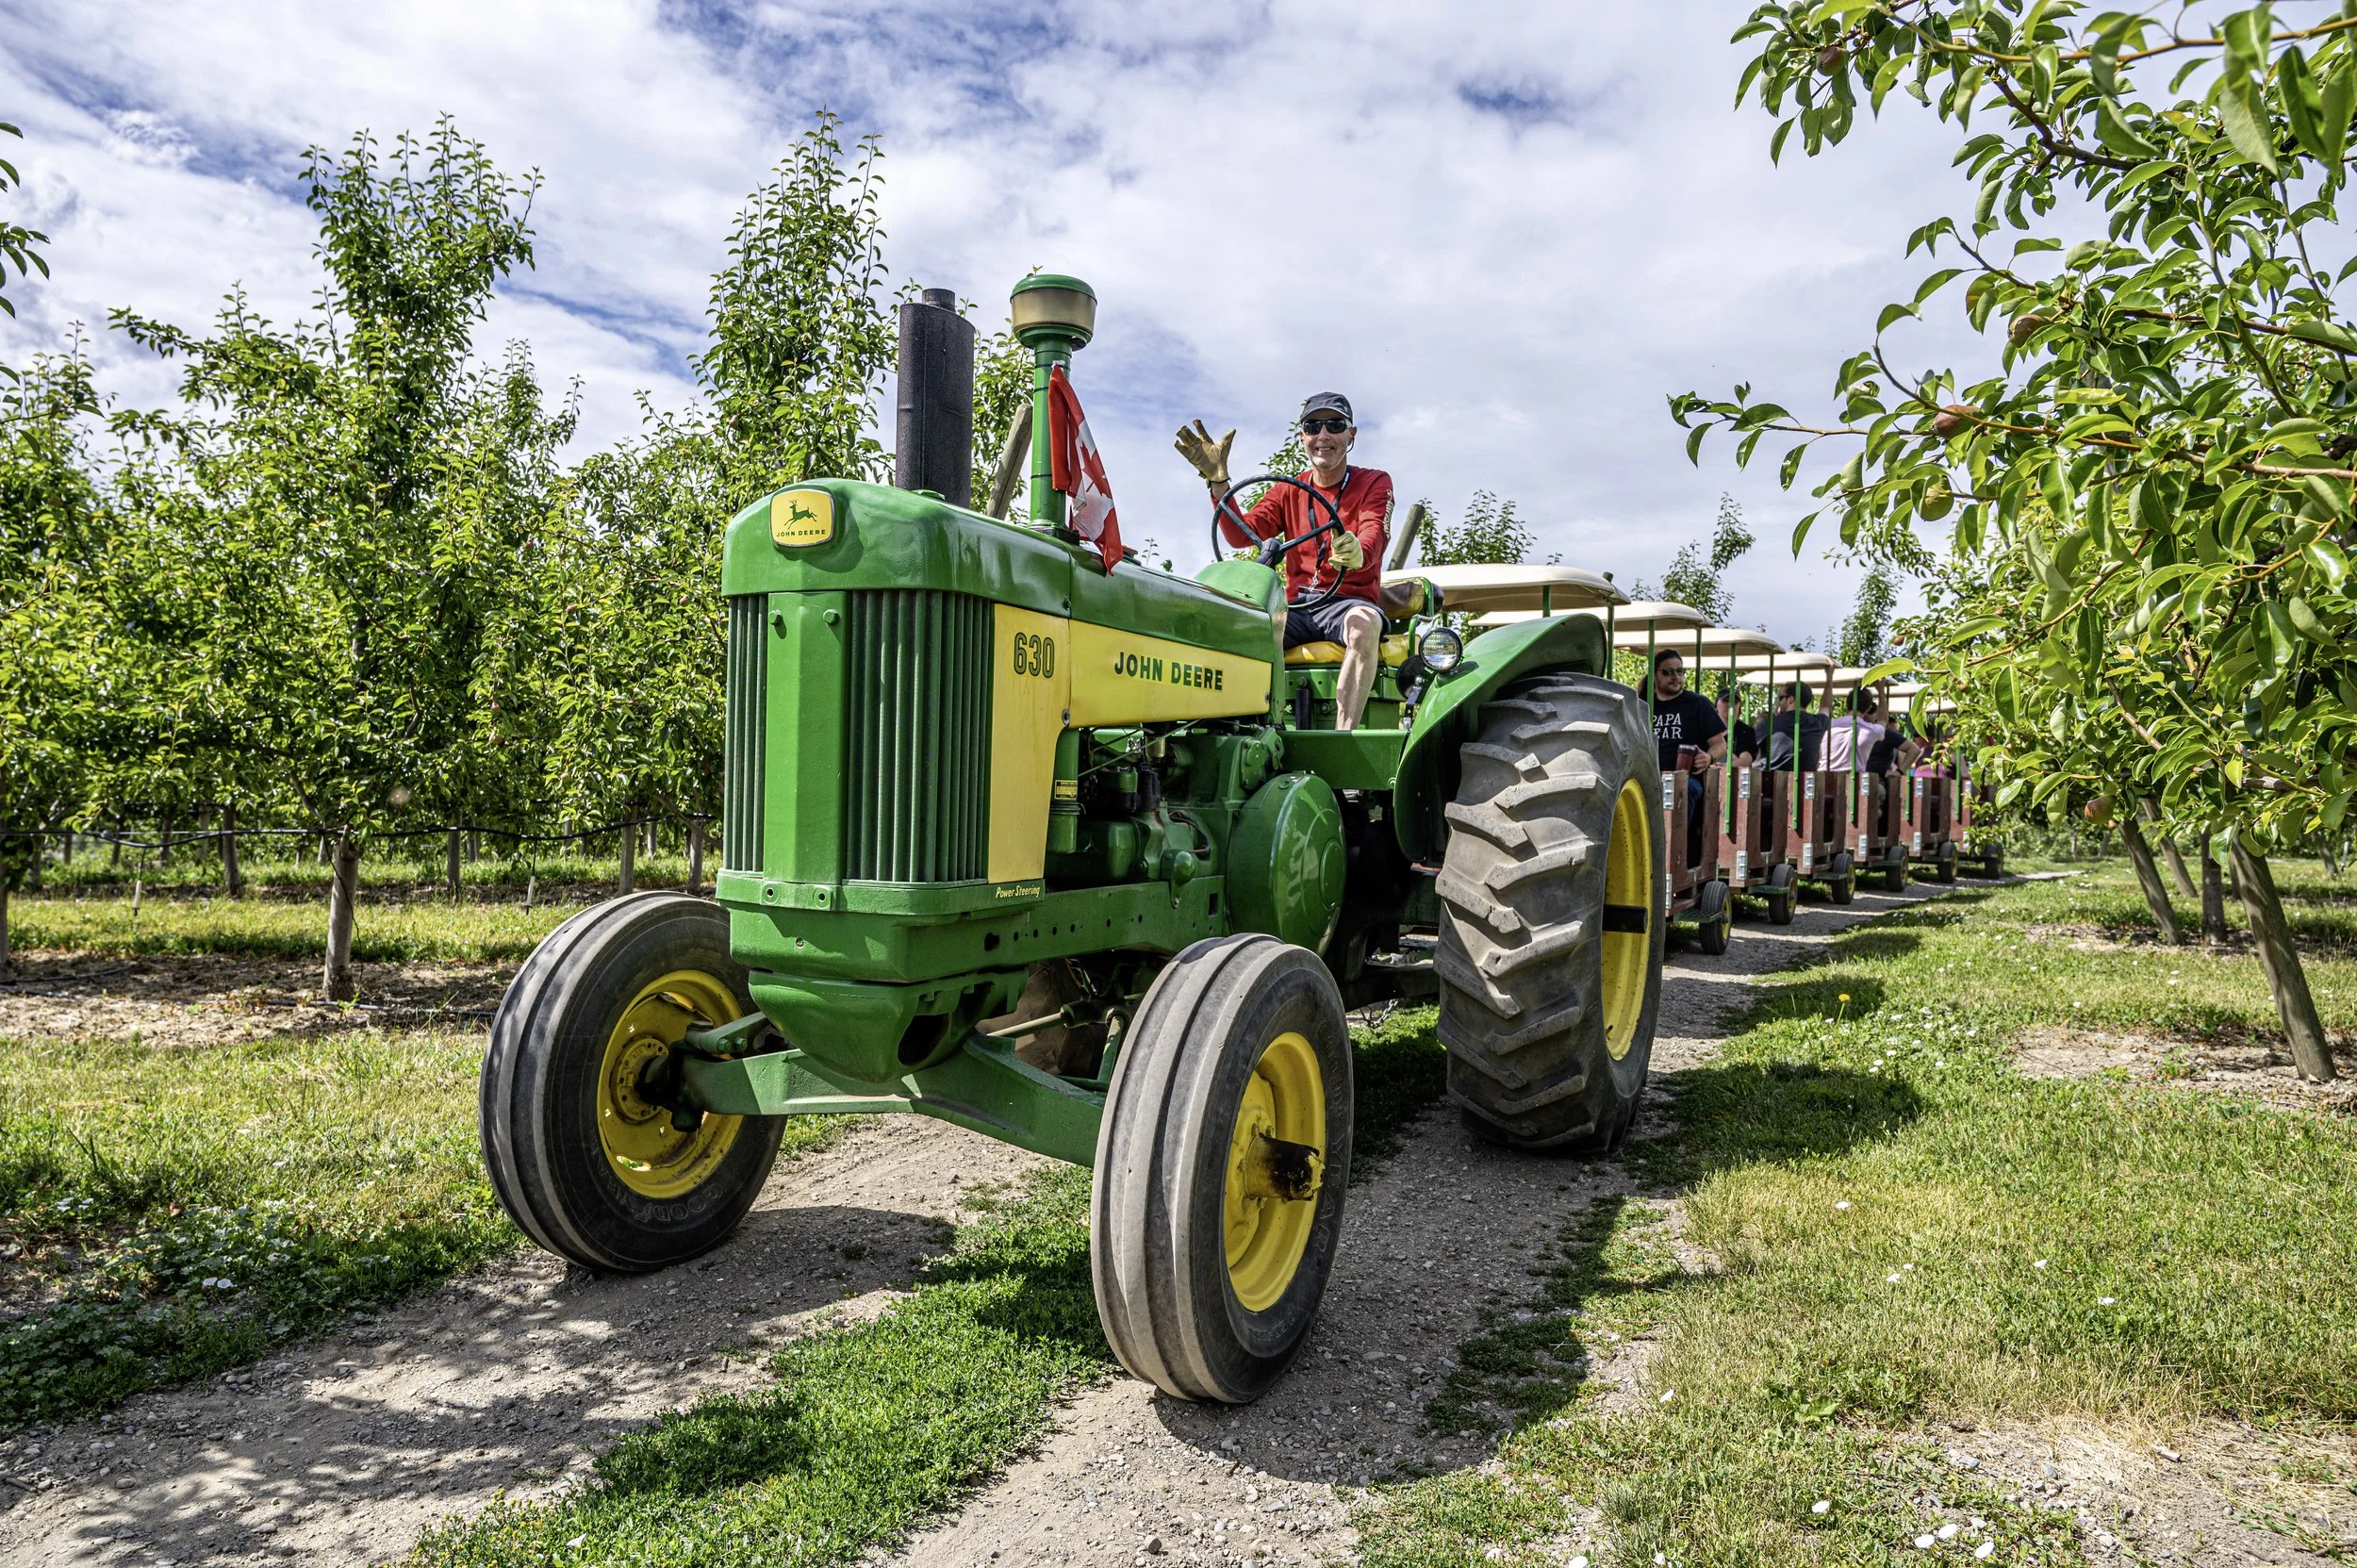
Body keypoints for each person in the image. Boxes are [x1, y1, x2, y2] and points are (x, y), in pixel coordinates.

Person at [1176, 393, 1393, 730]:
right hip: (1297, 608)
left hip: (1346, 603)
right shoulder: (1288, 490)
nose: (1323, 435)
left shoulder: (1374, 482)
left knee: (1364, 626)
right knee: (1235, 629)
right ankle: (1236, 728)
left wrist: (1359, 552)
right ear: (1303, 436)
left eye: (1335, 426)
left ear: (1351, 435)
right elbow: (1240, 536)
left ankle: (1341, 737)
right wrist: (1219, 484)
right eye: (1312, 426)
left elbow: (1373, 531)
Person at [1650, 650, 1725, 867]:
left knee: (1684, 790)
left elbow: (1720, 744)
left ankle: (1672, 853)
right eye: (1668, 671)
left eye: (1680, 671)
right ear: (1655, 675)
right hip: (1648, 776)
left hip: (1686, 779)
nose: (1676, 676)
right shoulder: (1642, 704)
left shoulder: (1698, 704)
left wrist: (1708, 758)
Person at [1766, 682, 1830, 771]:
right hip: (1806, 781)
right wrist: (1829, 677)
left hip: (1773, 780)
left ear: (1791, 699)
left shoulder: (1771, 723)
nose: (1780, 702)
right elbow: (1826, 706)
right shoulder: (1818, 723)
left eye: (1781, 698)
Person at [1717, 682, 1758, 767]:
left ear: (1739, 707)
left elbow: (1745, 760)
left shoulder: (1746, 731)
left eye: (1734, 702)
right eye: (1725, 701)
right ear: (1716, 705)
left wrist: (1722, 766)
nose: (1729, 704)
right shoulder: (1707, 728)